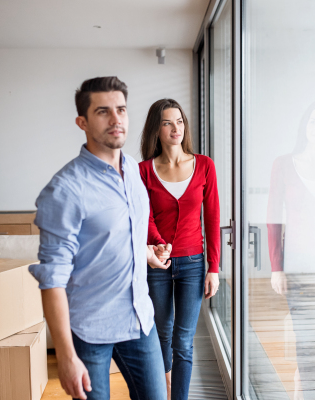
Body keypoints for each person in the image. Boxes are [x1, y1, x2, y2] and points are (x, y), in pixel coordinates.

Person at [29, 77, 170, 400]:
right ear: (83, 122)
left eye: (121, 109)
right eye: (103, 111)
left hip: (139, 319)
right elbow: (51, 280)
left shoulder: (133, 171)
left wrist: (146, 254)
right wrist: (65, 357)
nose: (116, 119)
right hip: (91, 329)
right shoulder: (64, 190)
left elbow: (118, 235)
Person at [138, 98, 220, 400]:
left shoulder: (205, 166)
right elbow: (142, 214)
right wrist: (160, 245)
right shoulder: (143, 171)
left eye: (180, 121)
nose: (176, 128)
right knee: (162, 334)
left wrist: (214, 267)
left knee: (184, 340)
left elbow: (211, 218)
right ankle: (161, 392)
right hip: (157, 265)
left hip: (193, 264)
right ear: (156, 130)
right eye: (167, 122)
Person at [267, 100, 315, 398]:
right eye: (314, 121)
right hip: (298, 264)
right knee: (306, 342)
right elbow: (274, 220)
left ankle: (302, 382)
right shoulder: (284, 164)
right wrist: (277, 268)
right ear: (305, 126)